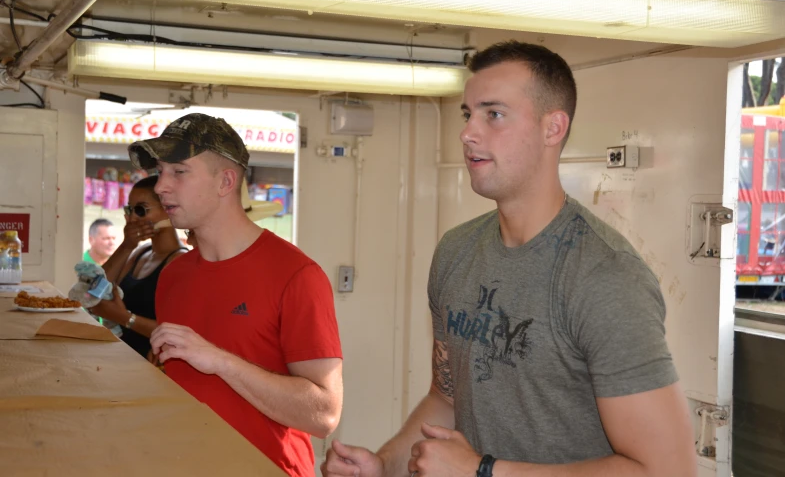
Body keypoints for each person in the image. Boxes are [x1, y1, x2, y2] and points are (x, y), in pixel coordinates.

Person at [322, 41, 697, 477]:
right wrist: (382, 464)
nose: (468, 133)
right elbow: (446, 398)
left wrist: (483, 471)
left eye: (493, 114)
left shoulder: (603, 276)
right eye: (468, 114)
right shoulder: (456, 252)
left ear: (552, 128)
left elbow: (667, 470)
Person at [128, 113, 343, 477]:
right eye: (161, 171)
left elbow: (323, 414)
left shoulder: (297, 275)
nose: (162, 186)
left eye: (178, 172)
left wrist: (219, 360)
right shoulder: (174, 274)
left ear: (226, 181)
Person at [90, 176, 188, 358]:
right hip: (121, 358)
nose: (133, 218)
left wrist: (124, 317)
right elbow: (95, 293)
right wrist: (127, 245)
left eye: (141, 210)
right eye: (130, 209)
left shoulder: (180, 262)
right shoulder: (140, 253)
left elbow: (179, 334)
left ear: (168, 210)